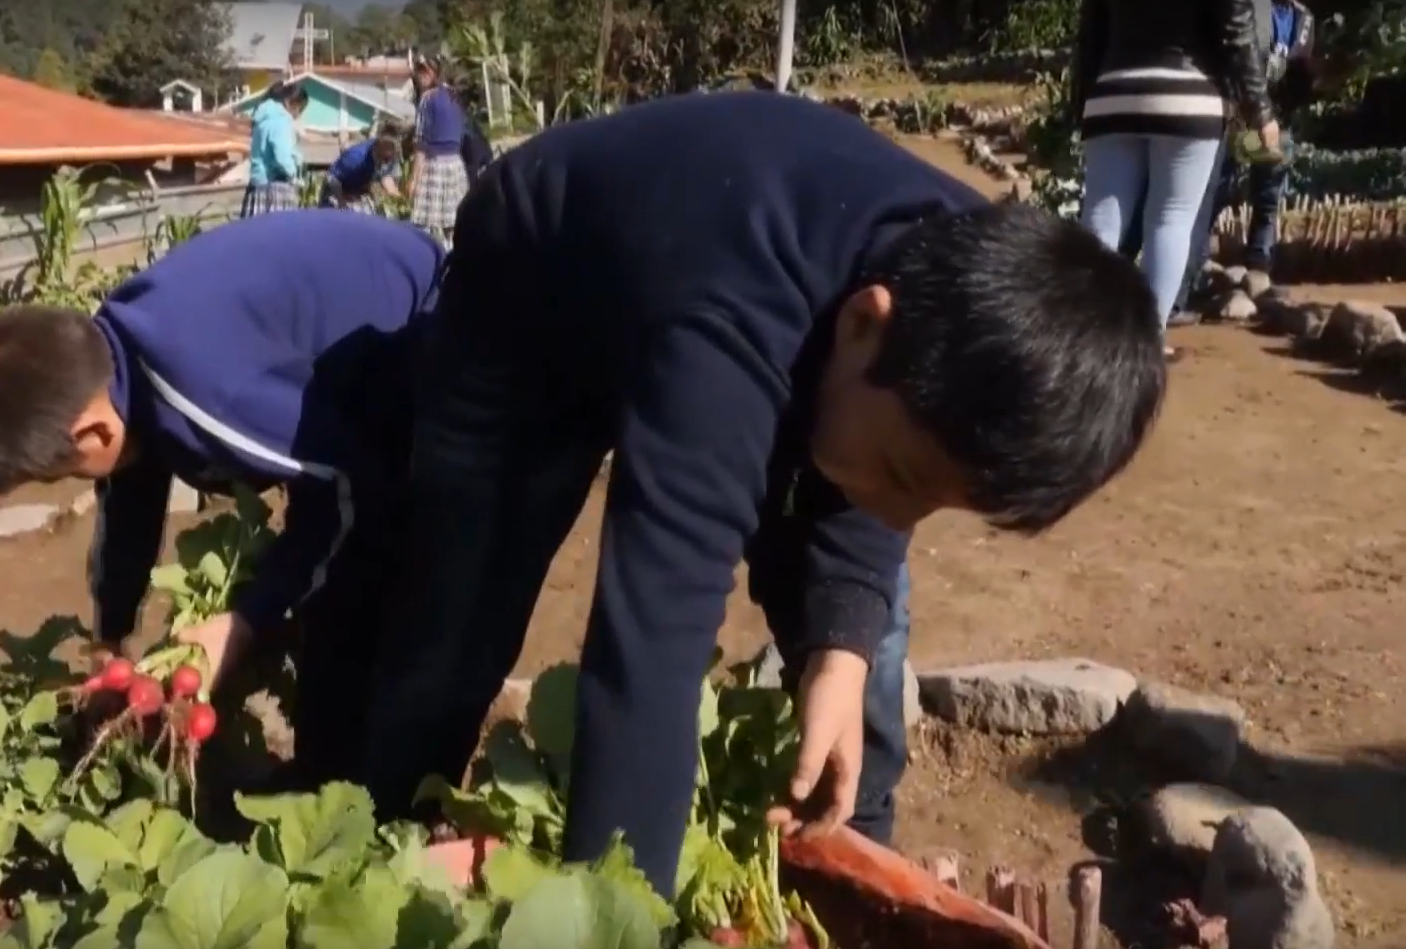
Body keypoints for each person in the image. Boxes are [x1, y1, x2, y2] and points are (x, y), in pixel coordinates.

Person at [354, 91, 1168, 895]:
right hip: (535, 294)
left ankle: (847, 870)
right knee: (457, 620)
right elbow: (651, 647)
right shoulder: (730, 327)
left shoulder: (971, 298)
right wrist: (624, 914)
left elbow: (882, 487)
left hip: (750, 294)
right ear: (863, 324)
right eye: (908, 479)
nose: (897, 519)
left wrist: (840, 654)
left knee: (861, 660)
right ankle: (366, 850)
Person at [0, 210, 445, 788]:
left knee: (376, 577)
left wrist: (242, 623)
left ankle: (390, 799)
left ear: (92, 435)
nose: (72, 482)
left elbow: (347, 481)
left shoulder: (206, 392)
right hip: (342, 357)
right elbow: (129, 489)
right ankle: (328, 774)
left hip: (426, 324)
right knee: (322, 587)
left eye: (58, 474)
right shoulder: (112, 360)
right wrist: (110, 637)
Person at [1072, 0, 1276, 359]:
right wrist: (1259, 109)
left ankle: (1080, 331)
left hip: (1112, 93)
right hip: (1187, 97)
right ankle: (1147, 341)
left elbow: (1090, 34)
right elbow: (1236, 32)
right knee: (1171, 219)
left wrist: (1080, 105)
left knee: (1100, 215)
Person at [1183, 0, 1317, 304]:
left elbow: (1301, 69)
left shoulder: (1304, 18)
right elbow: (1236, 54)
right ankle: (1195, 268)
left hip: (1277, 117)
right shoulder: (1251, 6)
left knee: (1269, 194)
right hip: (1237, 112)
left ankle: (1259, 265)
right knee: (1216, 189)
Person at [406, 57, 470, 243]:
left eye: (420, 72)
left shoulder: (427, 99)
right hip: (456, 164)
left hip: (435, 165)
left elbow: (421, 141)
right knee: (453, 223)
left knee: (425, 225)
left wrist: (414, 179)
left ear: (430, 73)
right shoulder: (454, 96)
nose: (418, 78)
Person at [243, 82, 309, 217]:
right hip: (274, 188)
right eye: (299, 110)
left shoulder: (263, 119)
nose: (298, 115)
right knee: (279, 234)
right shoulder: (280, 121)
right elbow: (282, 156)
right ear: (290, 103)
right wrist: (295, 176)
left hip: (257, 186)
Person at [319, 134, 402, 211]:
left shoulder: (386, 153)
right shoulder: (356, 158)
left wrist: (400, 200)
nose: (388, 162)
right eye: (386, 159)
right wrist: (341, 201)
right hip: (336, 193)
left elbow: (387, 180)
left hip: (356, 193)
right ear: (377, 152)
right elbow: (332, 178)